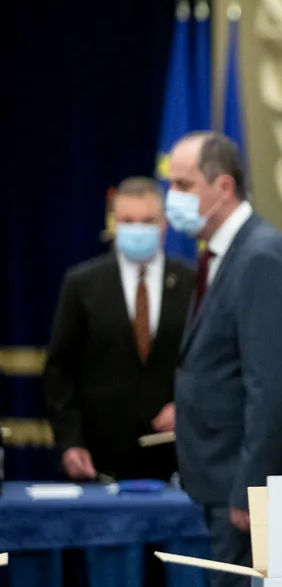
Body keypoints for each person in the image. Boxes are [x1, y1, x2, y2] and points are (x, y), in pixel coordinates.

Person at [165, 131, 282, 587]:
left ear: (222, 187)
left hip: (254, 483)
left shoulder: (261, 257)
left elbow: (272, 385)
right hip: (227, 474)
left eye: (183, 184)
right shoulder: (227, 253)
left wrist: (249, 488)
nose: (173, 197)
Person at [43, 176, 195, 482]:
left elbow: (210, 362)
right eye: (127, 221)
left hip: (177, 457)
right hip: (100, 459)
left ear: (164, 223)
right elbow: (60, 371)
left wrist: (190, 405)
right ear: (113, 223)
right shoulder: (82, 284)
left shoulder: (192, 284)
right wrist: (70, 443)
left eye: (147, 221)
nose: (138, 229)